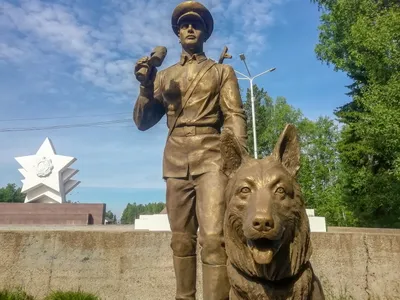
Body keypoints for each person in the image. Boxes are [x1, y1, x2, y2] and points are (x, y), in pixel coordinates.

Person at [133, 1, 247, 299]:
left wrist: (239, 163)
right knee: (181, 241)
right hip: (175, 158)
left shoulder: (221, 71)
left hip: (212, 157)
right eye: (184, 25)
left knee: (212, 239)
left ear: (205, 32)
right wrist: (146, 87)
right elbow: (143, 123)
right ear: (177, 34)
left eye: (196, 24)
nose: (190, 28)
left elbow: (234, 117)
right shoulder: (164, 75)